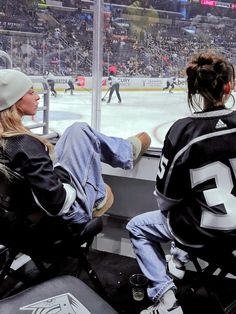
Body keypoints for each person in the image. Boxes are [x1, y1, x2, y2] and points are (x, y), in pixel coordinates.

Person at [127, 51, 235, 314]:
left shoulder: (182, 131)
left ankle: (166, 299)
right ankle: (178, 256)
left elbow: (166, 198)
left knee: (137, 227)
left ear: (194, 89)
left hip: (203, 232)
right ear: (228, 86)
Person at [0, 69, 151, 231]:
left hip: (27, 214)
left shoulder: (7, 141)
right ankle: (100, 193)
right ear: (14, 101)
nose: (37, 96)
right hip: (68, 214)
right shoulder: (24, 144)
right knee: (81, 131)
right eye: (30, 93)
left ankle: (126, 151)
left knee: (75, 131)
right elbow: (57, 203)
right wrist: (61, 173)